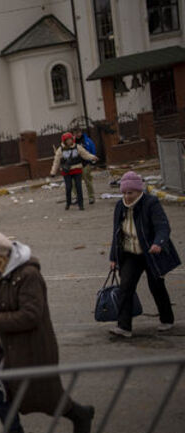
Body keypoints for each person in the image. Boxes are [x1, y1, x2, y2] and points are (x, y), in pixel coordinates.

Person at [0, 231, 95, 433]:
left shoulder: (28, 275)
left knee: (44, 397)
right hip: (0, 345)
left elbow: (31, 316)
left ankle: (78, 414)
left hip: (31, 346)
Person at [108, 171, 180, 337]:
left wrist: (158, 243)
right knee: (125, 287)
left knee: (156, 286)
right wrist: (113, 257)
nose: (127, 196)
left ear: (139, 191)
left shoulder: (150, 203)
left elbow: (163, 226)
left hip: (151, 253)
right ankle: (124, 327)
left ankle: (167, 319)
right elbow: (116, 233)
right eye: (124, 193)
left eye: (130, 193)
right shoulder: (120, 206)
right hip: (130, 254)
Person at [50, 132, 97, 211]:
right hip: (66, 171)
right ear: (64, 141)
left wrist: (93, 157)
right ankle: (68, 203)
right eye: (67, 140)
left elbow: (85, 154)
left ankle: (81, 204)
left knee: (79, 187)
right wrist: (53, 172)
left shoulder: (77, 147)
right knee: (69, 187)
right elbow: (56, 161)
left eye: (70, 139)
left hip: (77, 169)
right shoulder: (61, 149)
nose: (69, 141)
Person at [73, 127, 97, 205]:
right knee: (74, 182)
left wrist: (93, 159)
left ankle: (91, 197)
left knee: (88, 181)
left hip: (85, 164)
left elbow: (92, 148)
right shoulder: (72, 142)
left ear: (81, 132)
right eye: (75, 133)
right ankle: (78, 197)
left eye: (78, 132)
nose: (77, 134)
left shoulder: (87, 141)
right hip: (76, 165)